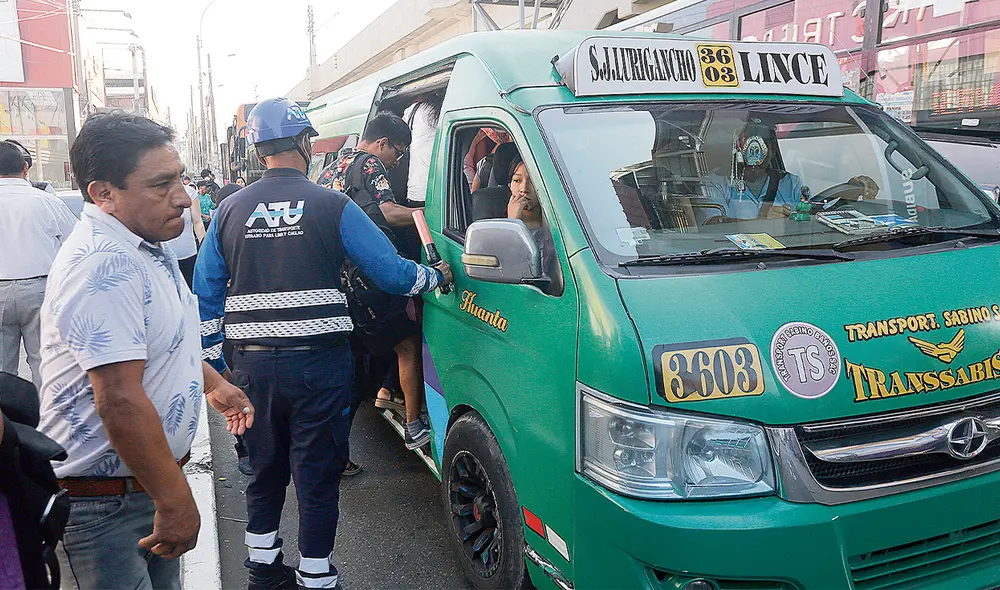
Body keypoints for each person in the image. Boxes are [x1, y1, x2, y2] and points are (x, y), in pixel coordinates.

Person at [194, 98, 451, 590]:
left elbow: (205, 295)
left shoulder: (229, 209)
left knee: (263, 472)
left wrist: (217, 371)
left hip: (251, 372)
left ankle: (263, 572)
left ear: (257, 149)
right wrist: (433, 275)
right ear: (306, 144)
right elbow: (390, 274)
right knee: (316, 476)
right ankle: (316, 577)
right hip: (320, 368)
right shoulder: (333, 205)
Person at [37, 112, 254, 590]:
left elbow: (151, 343)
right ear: (103, 194)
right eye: (161, 185)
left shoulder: (143, 245)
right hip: (104, 506)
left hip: (140, 489)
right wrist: (175, 498)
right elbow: (117, 397)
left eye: (178, 178)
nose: (182, 196)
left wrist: (213, 384)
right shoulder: (103, 263)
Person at [319, 112, 432, 451]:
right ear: (382, 143)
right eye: (398, 152)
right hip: (370, 277)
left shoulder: (331, 169)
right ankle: (414, 425)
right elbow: (387, 213)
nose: (397, 161)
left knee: (355, 370)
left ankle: (336, 450)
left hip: (340, 283)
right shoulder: (370, 165)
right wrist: (425, 213)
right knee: (408, 344)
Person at [0, 141, 77, 391]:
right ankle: (47, 422)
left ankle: (8, 425)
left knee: (2, 369)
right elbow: (75, 244)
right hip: (40, 290)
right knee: (45, 362)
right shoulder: (47, 202)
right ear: (25, 168)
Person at [705, 118, 804, 220]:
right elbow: (712, 224)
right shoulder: (717, 182)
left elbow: (806, 219)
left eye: (762, 147)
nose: (755, 157)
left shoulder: (791, 184)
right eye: (748, 147)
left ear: (773, 150)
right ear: (738, 149)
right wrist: (761, 221)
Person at [505, 154, 555, 275]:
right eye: (517, 180)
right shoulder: (498, 228)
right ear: (509, 185)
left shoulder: (557, 223)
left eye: (532, 181)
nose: (523, 188)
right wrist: (512, 224)